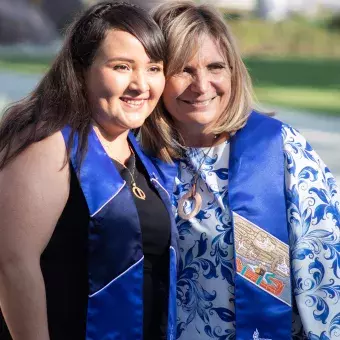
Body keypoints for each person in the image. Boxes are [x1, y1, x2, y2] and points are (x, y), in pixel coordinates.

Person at [140, 1, 340, 339]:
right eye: (183, 70)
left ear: (234, 71)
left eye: (215, 67)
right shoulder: (132, 157)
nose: (201, 85)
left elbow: (325, 274)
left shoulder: (279, 150)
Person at [0, 2, 178, 340]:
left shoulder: (142, 155)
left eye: (153, 68)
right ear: (82, 70)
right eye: (122, 66)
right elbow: (12, 263)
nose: (141, 84)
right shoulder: (49, 145)